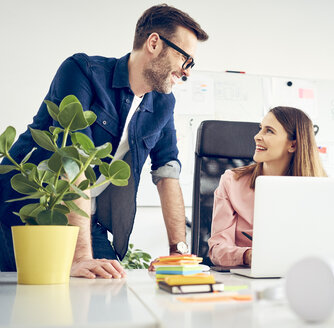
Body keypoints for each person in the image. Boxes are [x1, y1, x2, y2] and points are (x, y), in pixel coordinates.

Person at [0, 4, 208, 278]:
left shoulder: (163, 103)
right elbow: (73, 161)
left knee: (111, 284)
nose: (187, 71)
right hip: (26, 207)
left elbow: (167, 172)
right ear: (154, 43)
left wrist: (178, 254)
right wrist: (81, 256)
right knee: (27, 295)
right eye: (185, 59)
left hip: (85, 218)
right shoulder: (83, 71)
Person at [207, 106, 327, 267]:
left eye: (269, 131)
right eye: (260, 129)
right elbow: (217, 249)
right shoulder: (232, 182)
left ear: (293, 145)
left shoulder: (320, 187)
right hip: (247, 276)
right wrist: (248, 255)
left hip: (301, 271)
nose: (257, 136)